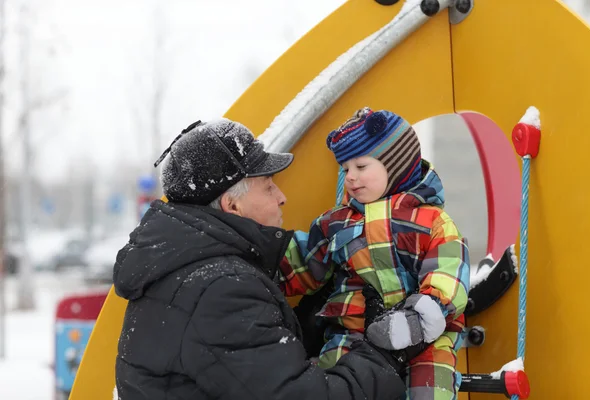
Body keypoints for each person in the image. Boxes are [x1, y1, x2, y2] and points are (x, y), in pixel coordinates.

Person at [113, 117, 412, 400]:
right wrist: (384, 354)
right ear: (233, 206)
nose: (281, 196)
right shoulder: (220, 290)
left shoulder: (185, 271)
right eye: (269, 186)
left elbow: (241, 374)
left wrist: (308, 326)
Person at [278, 107, 470, 399]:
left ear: (396, 164)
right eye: (345, 170)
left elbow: (449, 273)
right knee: (333, 386)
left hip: (426, 340)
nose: (351, 178)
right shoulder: (336, 223)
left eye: (361, 167)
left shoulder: (431, 221)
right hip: (353, 335)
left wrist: (418, 319)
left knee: (430, 390)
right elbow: (305, 264)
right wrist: (268, 266)